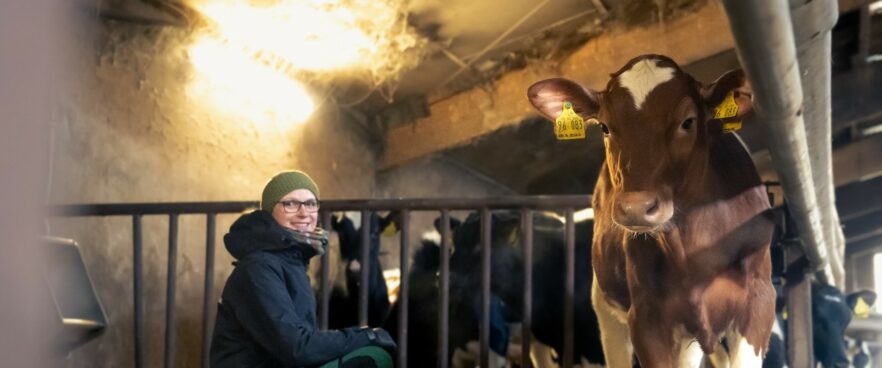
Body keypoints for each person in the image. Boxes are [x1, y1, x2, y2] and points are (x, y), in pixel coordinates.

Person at [210, 170, 396, 368]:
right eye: (290, 204)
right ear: (269, 212)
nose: (304, 212)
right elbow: (296, 347)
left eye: (310, 203)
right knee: (372, 357)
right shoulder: (259, 268)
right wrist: (366, 335)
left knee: (371, 355)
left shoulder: (292, 263)